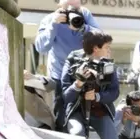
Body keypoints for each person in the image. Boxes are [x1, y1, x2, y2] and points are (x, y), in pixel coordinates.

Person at [34, 0, 100, 132]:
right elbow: (41, 47)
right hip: (60, 77)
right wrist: (53, 25)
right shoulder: (50, 19)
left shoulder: (85, 15)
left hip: (84, 75)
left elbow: (100, 38)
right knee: (62, 116)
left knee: (84, 117)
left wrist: (83, 28)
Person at [61, 31, 121, 139]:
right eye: (107, 47)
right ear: (95, 48)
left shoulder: (108, 65)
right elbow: (66, 96)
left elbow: (114, 92)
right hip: (77, 110)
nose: (109, 50)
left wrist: (97, 96)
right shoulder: (72, 61)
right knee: (77, 136)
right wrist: (78, 84)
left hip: (100, 110)